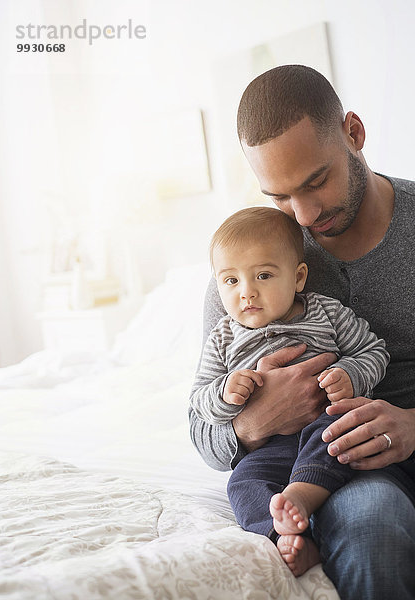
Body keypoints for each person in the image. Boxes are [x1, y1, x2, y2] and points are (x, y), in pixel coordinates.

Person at [189, 65, 415, 599]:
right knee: (368, 524)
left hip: (383, 446)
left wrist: (411, 423)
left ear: (353, 134)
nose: (305, 214)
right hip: (322, 464)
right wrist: (251, 425)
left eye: (316, 182)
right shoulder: (250, 268)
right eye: (281, 197)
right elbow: (201, 431)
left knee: (371, 521)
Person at [190, 206, 390, 576]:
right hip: (271, 447)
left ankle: (301, 493)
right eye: (230, 281)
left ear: (298, 278)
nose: (246, 293)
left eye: (263, 275)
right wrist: (224, 393)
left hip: (325, 424)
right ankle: (283, 537)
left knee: (338, 435)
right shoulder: (222, 338)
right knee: (242, 483)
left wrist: (349, 373)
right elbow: (199, 401)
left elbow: (373, 350)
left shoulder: (326, 312)